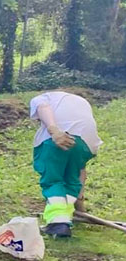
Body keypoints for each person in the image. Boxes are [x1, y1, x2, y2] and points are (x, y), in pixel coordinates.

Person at [29, 91, 102, 238]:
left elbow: (43, 107)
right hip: (87, 142)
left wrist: (54, 130)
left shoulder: (44, 97)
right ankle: (65, 216)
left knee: (53, 179)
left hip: (59, 138)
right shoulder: (81, 102)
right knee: (71, 178)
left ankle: (58, 223)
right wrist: (80, 204)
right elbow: (81, 172)